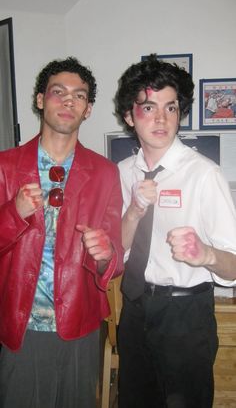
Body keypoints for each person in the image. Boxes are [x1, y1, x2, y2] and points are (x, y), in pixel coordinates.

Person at [0, 56, 124, 408]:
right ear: (41, 100)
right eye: (59, 92)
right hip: (19, 325)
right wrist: (14, 212)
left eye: (79, 95)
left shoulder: (104, 173)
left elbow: (116, 262)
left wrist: (105, 255)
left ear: (88, 109)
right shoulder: (5, 166)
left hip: (79, 325)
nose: (69, 101)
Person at [114, 54, 236, 408]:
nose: (161, 119)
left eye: (170, 108)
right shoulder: (122, 173)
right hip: (134, 310)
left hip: (185, 316)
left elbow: (234, 266)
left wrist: (207, 255)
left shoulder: (204, 174)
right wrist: (134, 212)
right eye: (148, 108)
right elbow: (118, 249)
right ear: (128, 116)